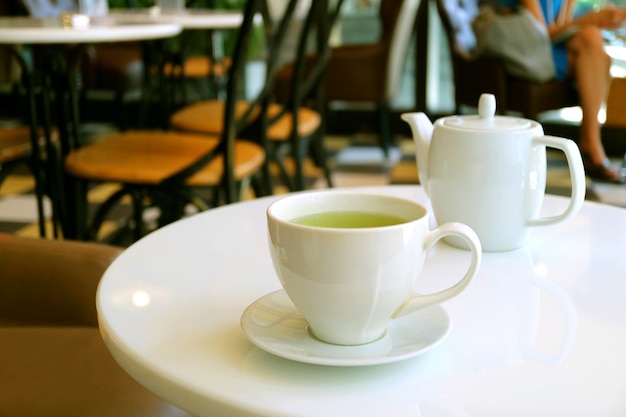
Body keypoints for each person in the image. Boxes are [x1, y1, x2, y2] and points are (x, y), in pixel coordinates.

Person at [500, 0, 626, 182]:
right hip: (522, 46)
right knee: (593, 45)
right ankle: (591, 145)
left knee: (601, 56)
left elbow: (561, 30)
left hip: (544, 44)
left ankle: (591, 143)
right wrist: (591, 19)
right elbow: (540, 35)